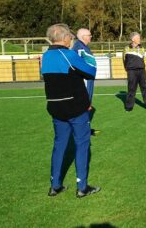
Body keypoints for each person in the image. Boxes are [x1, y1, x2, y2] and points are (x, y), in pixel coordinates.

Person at [41, 23, 101, 198]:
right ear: (64, 38)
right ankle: (82, 187)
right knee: (82, 144)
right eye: (70, 37)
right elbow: (91, 72)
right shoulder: (68, 55)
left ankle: (55, 185)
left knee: (59, 145)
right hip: (75, 107)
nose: (71, 39)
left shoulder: (45, 57)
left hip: (55, 107)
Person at [123, 32, 146, 111]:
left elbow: (142, 59)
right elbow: (124, 60)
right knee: (131, 89)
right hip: (131, 72)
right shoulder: (126, 48)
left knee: (145, 88)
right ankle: (129, 107)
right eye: (138, 38)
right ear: (133, 39)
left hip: (142, 71)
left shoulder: (142, 48)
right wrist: (128, 69)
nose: (140, 39)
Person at [72, 28, 97, 103]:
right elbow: (75, 63)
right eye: (89, 35)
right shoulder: (79, 47)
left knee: (87, 99)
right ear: (83, 37)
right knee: (84, 100)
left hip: (88, 77)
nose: (91, 36)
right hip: (84, 78)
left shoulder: (83, 46)